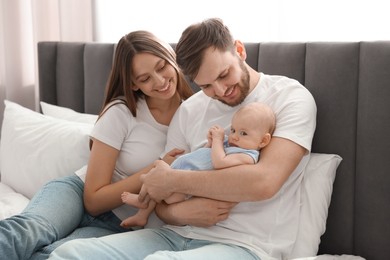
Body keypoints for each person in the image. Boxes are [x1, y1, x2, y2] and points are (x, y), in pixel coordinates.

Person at [49, 17, 317, 260]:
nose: (221, 90)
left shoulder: (290, 98)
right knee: (69, 254)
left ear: (239, 50)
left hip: (245, 245)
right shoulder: (190, 109)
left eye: (224, 75)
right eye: (206, 85)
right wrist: (177, 212)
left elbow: (264, 182)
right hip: (174, 234)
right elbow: (162, 202)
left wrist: (171, 180)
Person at [0, 30, 193, 260]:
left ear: (171, 57)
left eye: (161, 67)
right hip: (76, 196)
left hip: (122, 224)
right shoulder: (122, 112)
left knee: (52, 256)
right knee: (25, 233)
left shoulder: (195, 114)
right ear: (133, 85)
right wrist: (156, 169)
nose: (159, 81)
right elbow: (93, 201)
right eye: (145, 78)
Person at [120, 102, 276, 228]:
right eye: (233, 129)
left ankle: (143, 202)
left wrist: (217, 140)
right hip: (182, 169)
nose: (234, 136)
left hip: (184, 187)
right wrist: (210, 143)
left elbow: (219, 162)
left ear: (263, 141)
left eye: (243, 133)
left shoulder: (248, 156)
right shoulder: (233, 144)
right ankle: (142, 215)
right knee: (157, 170)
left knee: (160, 183)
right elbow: (206, 155)